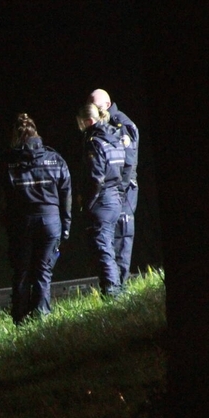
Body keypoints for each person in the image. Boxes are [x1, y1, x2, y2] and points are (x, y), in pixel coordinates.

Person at [0, 114, 72, 324]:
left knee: (21, 271)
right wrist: (65, 226)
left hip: (21, 222)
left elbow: (0, 198)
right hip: (51, 221)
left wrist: (6, 223)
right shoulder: (55, 158)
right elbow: (66, 195)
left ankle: (20, 319)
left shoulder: (8, 162)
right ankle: (41, 317)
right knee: (43, 271)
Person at [89, 89, 140, 286]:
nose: (94, 111)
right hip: (112, 190)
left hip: (123, 190)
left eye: (98, 107)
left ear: (107, 106)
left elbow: (128, 163)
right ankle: (114, 285)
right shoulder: (102, 124)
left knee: (122, 234)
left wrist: (119, 190)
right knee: (107, 238)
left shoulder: (121, 125)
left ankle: (121, 284)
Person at [76, 102, 127, 297]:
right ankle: (117, 289)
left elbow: (95, 178)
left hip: (102, 201)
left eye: (81, 123)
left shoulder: (94, 142)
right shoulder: (114, 138)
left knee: (102, 248)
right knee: (109, 246)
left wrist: (87, 203)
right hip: (115, 197)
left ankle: (112, 293)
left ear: (88, 121)